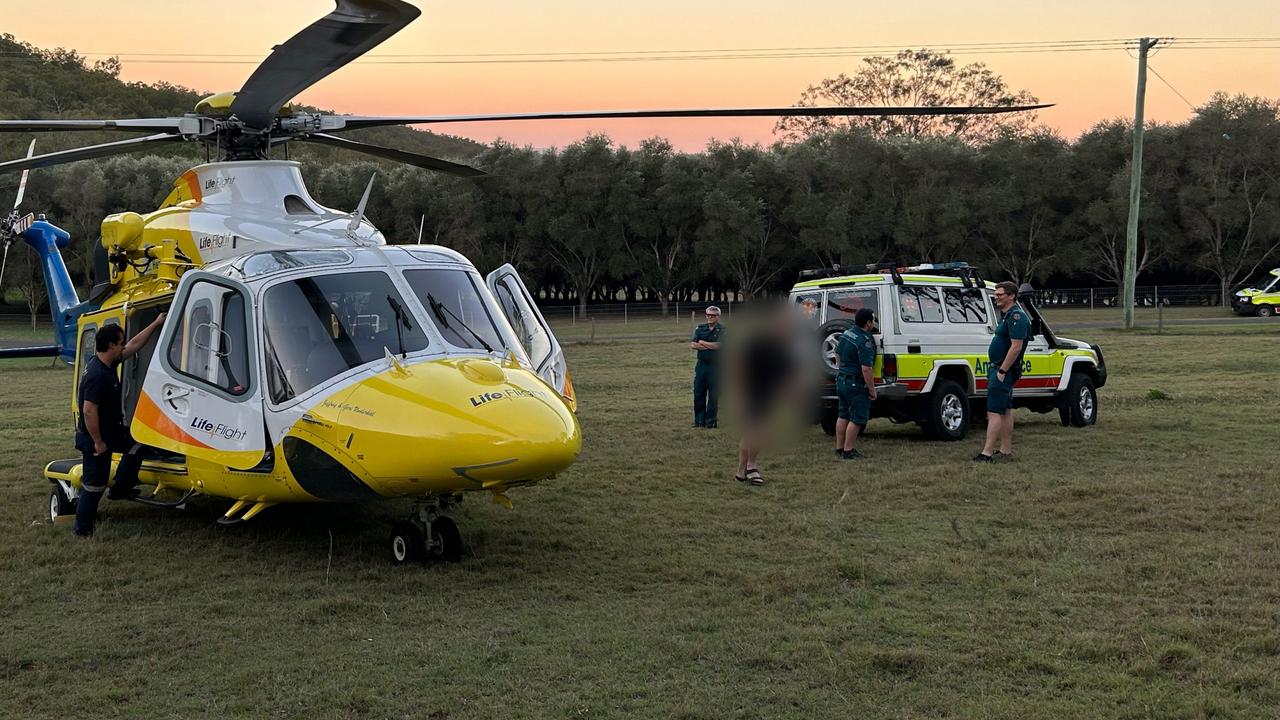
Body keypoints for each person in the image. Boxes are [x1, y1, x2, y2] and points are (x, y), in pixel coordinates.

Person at [74, 315, 166, 537]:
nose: (124, 345)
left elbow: (133, 346)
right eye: (120, 342)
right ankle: (82, 531)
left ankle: (120, 489)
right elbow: (88, 410)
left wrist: (155, 323)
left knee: (139, 443)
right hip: (96, 438)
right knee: (94, 485)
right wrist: (98, 442)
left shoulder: (106, 362)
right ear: (111, 345)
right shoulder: (97, 375)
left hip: (110, 431)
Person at [734, 305, 799, 486]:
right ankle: (751, 467)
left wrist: (791, 392)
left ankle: (741, 471)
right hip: (753, 391)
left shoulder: (785, 348)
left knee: (753, 432)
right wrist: (741, 393)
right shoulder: (757, 341)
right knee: (757, 431)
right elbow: (740, 367)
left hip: (770, 395)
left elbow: (788, 374)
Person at [975, 281, 1030, 462]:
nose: (996, 297)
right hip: (999, 368)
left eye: (1000, 294)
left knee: (993, 411)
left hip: (1003, 370)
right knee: (1005, 409)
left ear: (1012, 295)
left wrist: (1002, 370)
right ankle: (1005, 450)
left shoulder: (1017, 317)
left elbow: (1016, 347)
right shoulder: (1007, 316)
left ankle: (987, 453)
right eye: (996, 294)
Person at [834, 309, 877, 459]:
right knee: (857, 419)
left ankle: (839, 448)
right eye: (873, 320)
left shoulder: (847, 333)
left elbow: (837, 354)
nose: (874, 323)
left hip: (841, 380)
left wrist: (842, 369)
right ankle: (848, 451)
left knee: (843, 415)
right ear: (868, 323)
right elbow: (866, 369)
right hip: (855, 383)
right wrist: (872, 390)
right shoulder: (864, 341)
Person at [690, 305, 724, 428]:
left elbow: (721, 346)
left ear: (718, 317)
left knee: (713, 395)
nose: (709, 317)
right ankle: (699, 421)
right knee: (698, 393)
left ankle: (711, 421)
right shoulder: (700, 328)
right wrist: (711, 345)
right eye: (708, 315)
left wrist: (703, 343)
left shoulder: (723, 330)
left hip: (716, 366)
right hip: (701, 366)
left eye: (712, 315)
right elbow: (693, 345)